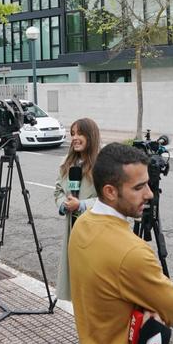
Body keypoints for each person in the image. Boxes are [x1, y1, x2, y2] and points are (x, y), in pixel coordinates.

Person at [69, 143, 173, 344]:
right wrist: (150, 308)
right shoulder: (132, 253)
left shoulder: (83, 224)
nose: (150, 194)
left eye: (147, 183)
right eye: (138, 187)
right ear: (110, 191)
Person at [52, 117, 101, 301]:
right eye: (72, 134)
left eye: (80, 133)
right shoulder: (67, 163)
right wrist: (63, 204)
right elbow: (57, 191)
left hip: (94, 231)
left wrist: (81, 205)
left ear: (91, 136)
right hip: (72, 229)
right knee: (76, 280)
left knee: (93, 284)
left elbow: (110, 200)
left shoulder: (102, 165)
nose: (75, 138)